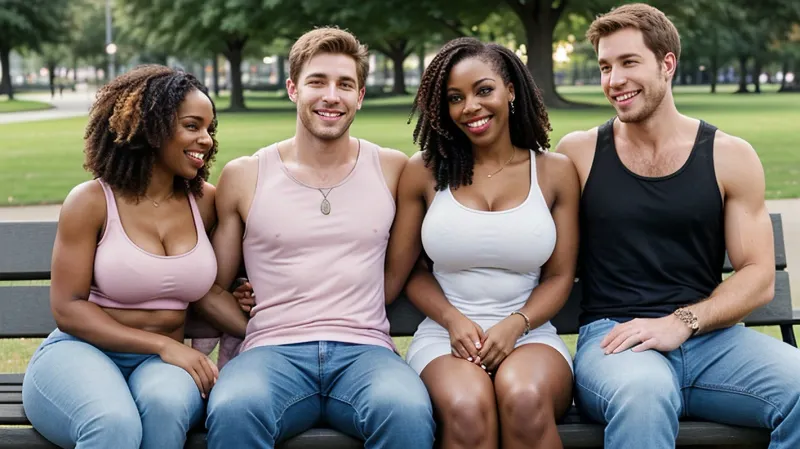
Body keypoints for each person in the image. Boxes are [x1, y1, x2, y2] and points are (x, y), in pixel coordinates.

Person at [555, 4, 800, 448]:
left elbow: (759, 275)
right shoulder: (578, 153)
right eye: (605, 67)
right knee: (645, 395)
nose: (614, 81)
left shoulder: (730, 155)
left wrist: (682, 322)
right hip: (615, 341)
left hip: (713, 342)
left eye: (629, 63)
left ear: (667, 64)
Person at [201, 27, 435, 449]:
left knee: (407, 410)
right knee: (235, 408)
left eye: (345, 84)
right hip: (271, 353)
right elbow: (212, 285)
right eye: (317, 82)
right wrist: (256, 323)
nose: (332, 96)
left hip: (365, 350)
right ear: (293, 89)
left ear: (360, 96)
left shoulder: (392, 168)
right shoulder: (246, 174)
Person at [21, 65, 247, 449]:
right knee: (113, 425)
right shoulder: (92, 201)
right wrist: (162, 345)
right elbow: (68, 308)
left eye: (210, 129)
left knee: (166, 407)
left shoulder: (205, 201)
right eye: (192, 126)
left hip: (162, 368)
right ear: (151, 127)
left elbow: (210, 286)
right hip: (83, 353)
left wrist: (246, 300)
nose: (206, 140)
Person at [385, 37, 579, 449]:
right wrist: (453, 320)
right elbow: (411, 272)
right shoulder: (423, 172)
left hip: (530, 334)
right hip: (444, 336)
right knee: (467, 407)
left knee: (524, 398)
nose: (470, 106)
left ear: (510, 89)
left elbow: (561, 276)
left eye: (483, 90)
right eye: (455, 98)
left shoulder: (554, 172)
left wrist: (516, 324)